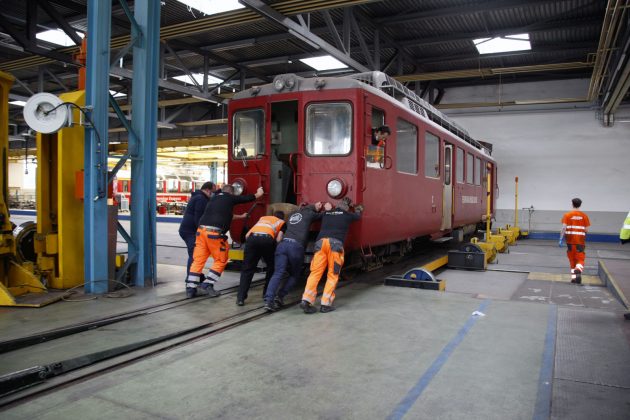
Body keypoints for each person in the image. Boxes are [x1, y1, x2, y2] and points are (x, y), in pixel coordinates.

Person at [186, 184, 264, 298]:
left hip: (201, 232)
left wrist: (241, 216)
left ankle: (190, 289)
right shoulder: (229, 197)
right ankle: (207, 284)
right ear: (231, 193)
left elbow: (225, 215)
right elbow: (249, 198)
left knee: (198, 261)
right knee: (221, 260)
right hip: (214, 234)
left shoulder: (214, 199)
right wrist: (259, 192)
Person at [300, 197, 363, 313]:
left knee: (315, 273)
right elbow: (358, 216)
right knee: (332, 275)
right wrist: (359, 209)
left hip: (320, 243)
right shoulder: (347, 215)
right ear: (347, 208)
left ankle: (306, 300)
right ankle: (325, 304)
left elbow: (315, 216)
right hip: (335, 245)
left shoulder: (327, 213)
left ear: (337, 206)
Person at [263, 201, 325, 312]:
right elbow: (323, 215)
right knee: (294, 275)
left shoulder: (292, 215)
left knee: (278, 273)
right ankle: (279, 297)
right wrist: (320, 208)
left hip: (283, 244)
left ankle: (268, 301)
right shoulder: (310, 213)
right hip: (295, 247)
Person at [236, 211, 286, 306]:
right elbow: (279, 239)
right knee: (271, 267)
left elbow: (247, 236)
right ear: (282, 218)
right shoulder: (282, 222)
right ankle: (266, 294)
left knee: (247, 270)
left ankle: (240, 298)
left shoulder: (262, 219)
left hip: (252, 239)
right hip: (267, 240)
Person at [178, 181, 214, 280]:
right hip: (190, 231)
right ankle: (190, 278)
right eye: (212, 192)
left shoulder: (199, 196)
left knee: (195, 255)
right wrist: (201, 232)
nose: (213, 195)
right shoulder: (201, 199)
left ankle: (197, 275)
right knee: (194, 255)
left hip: (187, 230)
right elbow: (198, 218)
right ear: (207, 190)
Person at [559, 198, 590, 284]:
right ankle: (578, 269)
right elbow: (587, 229)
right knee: (580, 259)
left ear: (572, 204)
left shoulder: (567, 215)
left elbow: (563, 228)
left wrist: (561, 238)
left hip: (569, 242)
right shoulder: (584, 216)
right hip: (580, 242)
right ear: (580, 205)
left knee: (572, 260)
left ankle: (573, 278)